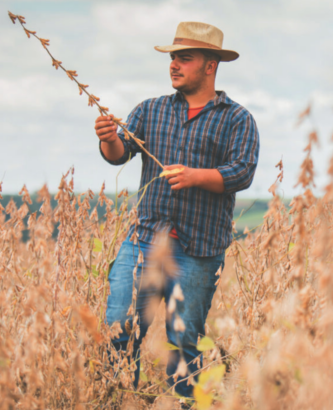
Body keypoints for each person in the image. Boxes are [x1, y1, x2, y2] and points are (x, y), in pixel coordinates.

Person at [94, 21, 259, 400]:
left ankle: (186, 404)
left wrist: (196, 176)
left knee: (184, 345)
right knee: (118, 329)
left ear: (210, 65)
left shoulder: (237, 119)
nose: (174, 65)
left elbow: (242, 172)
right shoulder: (149, 111)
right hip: (142, 242)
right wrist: (107, 142)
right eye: (172, 58)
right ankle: (119, 402)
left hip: (198, 251)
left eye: (184, 58)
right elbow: (119, 155)